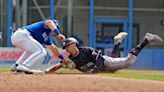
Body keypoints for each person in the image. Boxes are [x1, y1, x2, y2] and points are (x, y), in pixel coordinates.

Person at [44, 32, 163, 73]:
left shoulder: (87, 50)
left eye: (68, 46)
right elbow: (60, 64)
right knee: (115, 67)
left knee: (128, 62)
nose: (66, 49)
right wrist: (47, 71)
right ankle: (117, 42)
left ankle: (146, 40)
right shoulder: (71, 59)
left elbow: (100, 60)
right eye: (65, 48)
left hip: (105, 63)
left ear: (74, 44)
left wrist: (92, 71)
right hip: (103, 69)